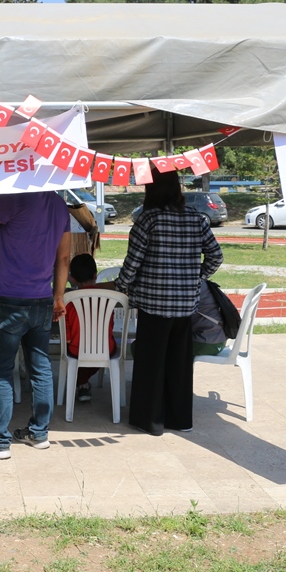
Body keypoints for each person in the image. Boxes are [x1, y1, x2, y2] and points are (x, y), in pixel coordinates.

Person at [115, 168, 223, 436]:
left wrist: (121, 287)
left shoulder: (147, 220)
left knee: (151, 363)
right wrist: (197, 277)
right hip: (185, 305)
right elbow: (216, 256)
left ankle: (151, 421)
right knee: (179, 364)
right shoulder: (196, 219)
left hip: (153, 304)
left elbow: (132, 264)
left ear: (152, 189)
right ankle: (181, 419)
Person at [0, 191, 72, 459]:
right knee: (40, 368)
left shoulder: (14, 198)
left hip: (9, 300)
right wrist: (58, 296)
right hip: (42, 299)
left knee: (1, 371)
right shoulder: (59, 204)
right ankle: (39, 433)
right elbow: (63, 258)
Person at [64, 254, 116, 403]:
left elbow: (67, 328)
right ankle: (82, 382)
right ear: (95, 275)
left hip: (76, 348)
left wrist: (69, 339)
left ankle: (81, 382)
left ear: (72, 278)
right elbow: (110, 324)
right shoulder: (108, 297)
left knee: (78, 353)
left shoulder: (69, 299)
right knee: (99, 355)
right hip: (105, 348)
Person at [191, 281, 228, 357]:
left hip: (206, 343)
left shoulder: (191, 285)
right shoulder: (202, 282)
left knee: (166, 344)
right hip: (217, 340)